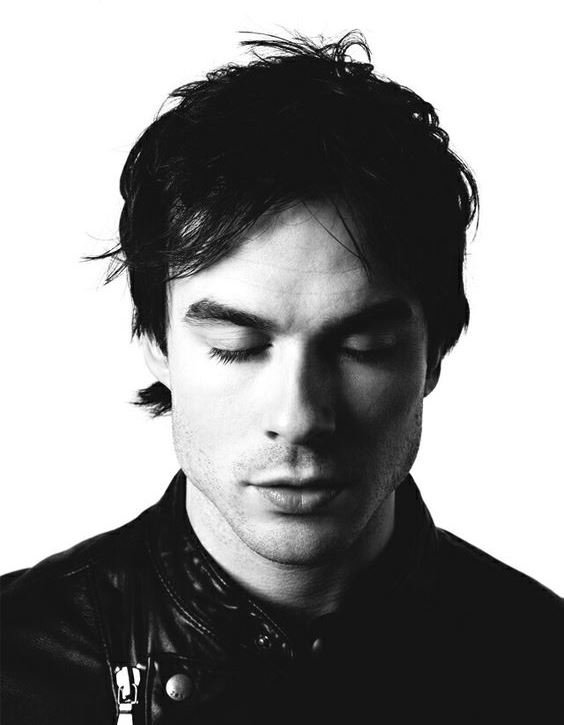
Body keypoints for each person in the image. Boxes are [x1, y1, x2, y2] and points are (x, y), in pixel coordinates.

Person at [1, 32, 562, 724]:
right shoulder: (17, 666)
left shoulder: (543, 665)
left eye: (361, 347)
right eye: (236, 346)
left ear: (434, 351)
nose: (297, 418)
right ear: (155, 342)